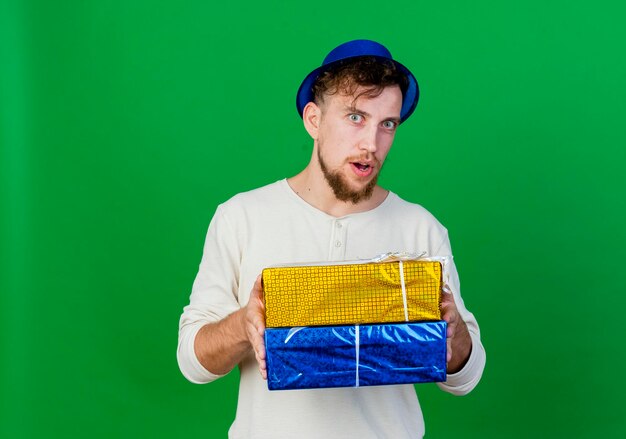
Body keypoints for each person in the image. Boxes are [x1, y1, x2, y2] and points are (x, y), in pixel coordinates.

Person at [177, 39, 486, 438]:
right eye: (356, 117)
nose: (371, 145)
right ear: (314, 120)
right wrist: (244, 325)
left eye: (387, 124)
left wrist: (454, 332)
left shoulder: (420, 227)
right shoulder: (242, 216)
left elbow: (465, 378)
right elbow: (192, 363)